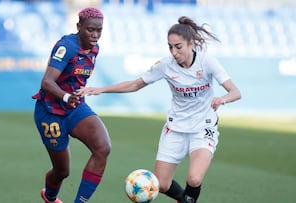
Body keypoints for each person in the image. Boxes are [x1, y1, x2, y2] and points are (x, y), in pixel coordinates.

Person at [78, 16, 241, 203]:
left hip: (203, 127)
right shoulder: (165, 65)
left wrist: (222, 99)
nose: (174, 52)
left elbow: (235, 91)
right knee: (161, 184)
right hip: (175, 127)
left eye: (178, 46)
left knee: (194, 178)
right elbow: (135, 84)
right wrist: (101, 89)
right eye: (170, 47)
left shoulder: (207, 62)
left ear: (191, 44)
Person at [32, 7, 111, 203]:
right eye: (90, 30)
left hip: (75, 108)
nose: (95, 35)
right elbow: (47, 82)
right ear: (79, 27)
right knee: (62, 171)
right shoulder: (66, 46)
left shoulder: (95, 49)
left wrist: (74, 97)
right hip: (50, 111)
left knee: (103, 148)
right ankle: (50, 197)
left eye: (99, 30)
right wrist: (66, 96)